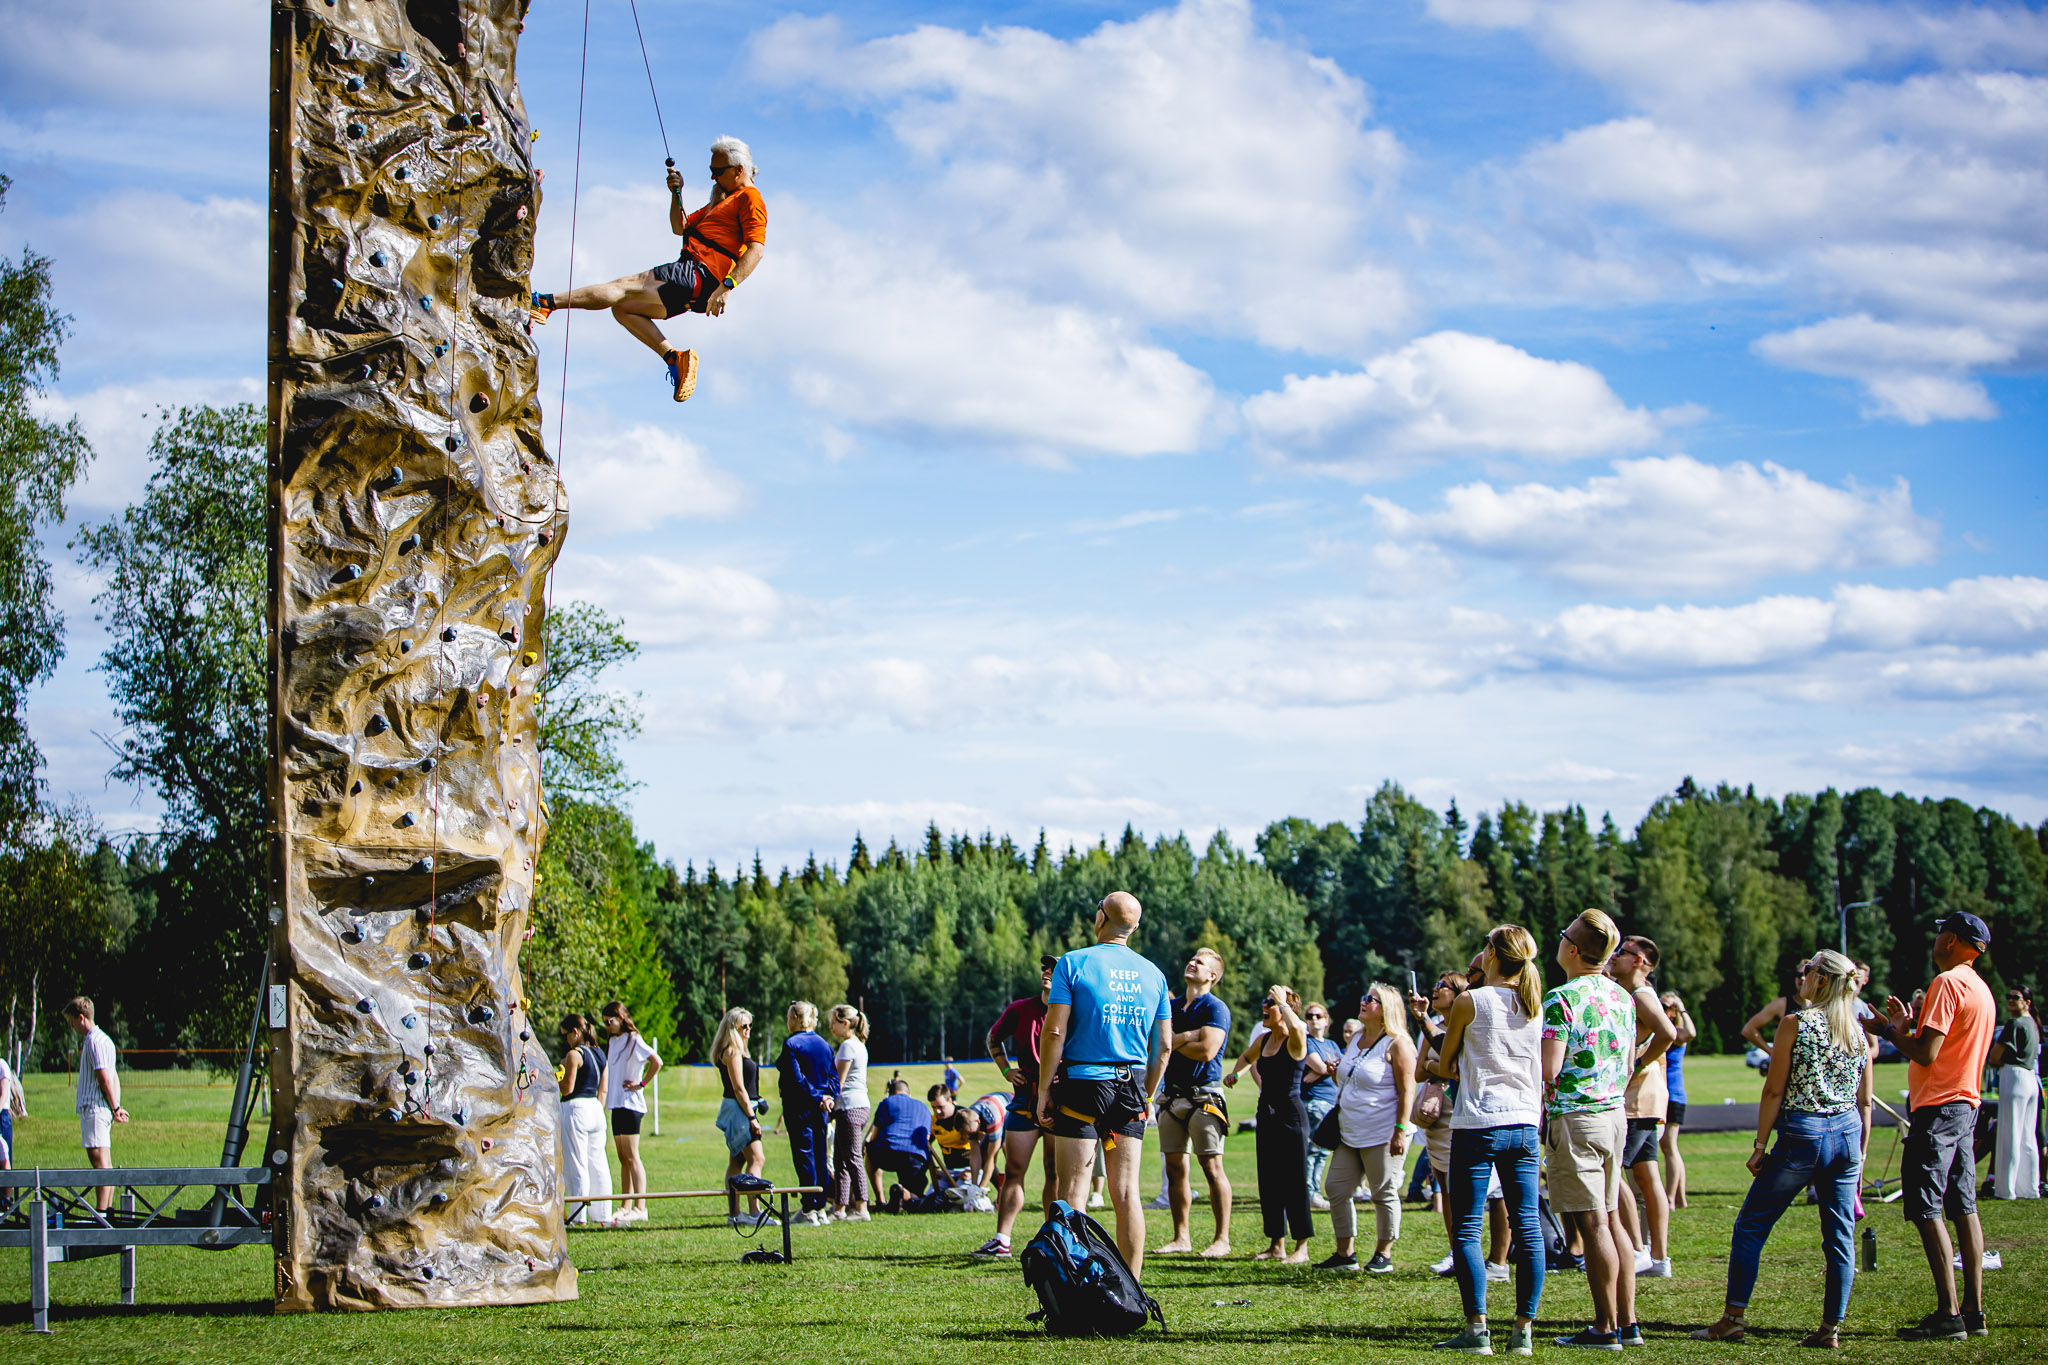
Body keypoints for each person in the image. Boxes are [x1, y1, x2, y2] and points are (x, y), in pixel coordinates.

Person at [1692, 951, 1874, 1348]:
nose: (1802, 976)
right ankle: (1831, 1328)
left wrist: (1759, 1146)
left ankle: (1733, 1318)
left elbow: (1774, 1089)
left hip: (1802, 1134)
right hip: (1846, 1135)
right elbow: (1865, 1101)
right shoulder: (1858, 1033)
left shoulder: (1796, 1024)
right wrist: (1860, 1152)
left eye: (1807, 971)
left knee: (1751, 1226)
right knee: (1839, 1237)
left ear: (1821, 981)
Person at [529, 136, 766, 403]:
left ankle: (545, 303)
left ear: (739, 171)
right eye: (710, 171)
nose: (712, 178)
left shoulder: (750, 198)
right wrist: (676, 193)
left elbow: (756, 248)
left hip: (699, 273)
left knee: (622, 287)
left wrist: (727, 286)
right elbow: (680, 226)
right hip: (698, 284)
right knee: (624, 308)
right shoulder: (721, 204)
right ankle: (674, 358)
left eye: (717, 172)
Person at [1863, 912, 1998, 1339]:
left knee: (1925, 1207)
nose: (1935, 939)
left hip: (1938, 1108)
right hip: (1965, 1105)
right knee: (1964, 1207)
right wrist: (1905, 1027)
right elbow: (1939, 1044)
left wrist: (1887, 1031)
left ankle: (1949, 1313)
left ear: (1952, 939)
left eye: (1941, 933)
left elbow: (1926, 1053)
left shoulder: (1947, 983)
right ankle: (1973, 1312)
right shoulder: (1981, 987)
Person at [1036, 890, 1172, 1278]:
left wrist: (1044, 1089)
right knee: (1126, 1193)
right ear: (1135, 927)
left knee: (1072, 1194)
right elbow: (1163, 1048)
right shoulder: (1154, 974)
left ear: (1100, 919)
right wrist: (1146, 1095)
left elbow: (1054, 1030)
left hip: (1082, 1083)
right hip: (1130, 1086)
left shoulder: (1073, 963)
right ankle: (1132, 1290)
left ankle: (1074, 1285)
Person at [1428, 926, 1548, 1357]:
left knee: (1466, 1229)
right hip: (1524, 1123)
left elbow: (1446, 1065)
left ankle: (1477, 1328)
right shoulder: (1535, 1003)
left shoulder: (1471, 1000)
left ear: (1494, 954)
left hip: (1479, 1121)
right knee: (1528, 1229)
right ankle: (1524, 1331)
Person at [1542, 909, 1641, 1349]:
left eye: (1564, 936)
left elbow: (1549, 1068)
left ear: (1574, 949)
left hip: (1577, 1117)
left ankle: (1605, 1327)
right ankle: (1629, 1321)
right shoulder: (1623, 997)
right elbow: (1631, 1058)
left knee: (1593, 1224)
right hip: (1614, 1114)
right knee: (1612, 1217)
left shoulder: (1561, 998)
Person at [1414, 968, 1512, 1279]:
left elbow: (1454, 1063)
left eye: (1442, 986)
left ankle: (1498, 1261)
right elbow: (1423, 1071)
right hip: (1441, 1117)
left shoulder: (1469, 1020)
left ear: (1459, 995)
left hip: (1474, 1111)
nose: (1435, 989)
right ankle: (1458, 1252)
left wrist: (1439, 1067)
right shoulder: (1431, 1027)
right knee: (1445, 1187)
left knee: (1495, 1193)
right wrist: (1439, 1067)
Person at [1322, 983, 1415, 1273]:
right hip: (1349, 1131)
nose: (1363, 1002)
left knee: (1383, 1192)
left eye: (1370, 999)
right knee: (1336, 1188)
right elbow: (1352, 1077)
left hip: (1382, 1133)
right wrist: (1336, 1071)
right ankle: (1344, 1254)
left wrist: (1400, 1129)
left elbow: (1407, 1089)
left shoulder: (1397, 1043)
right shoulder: (1357, 1038)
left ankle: (1383, 1254)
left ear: (1385, 1008)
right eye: (1364, 997)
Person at [977, 954, 1059, 1257]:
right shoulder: (1020, 1009)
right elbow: (993, 1038)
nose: (1046, 972)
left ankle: (1056, 1241)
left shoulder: (1072, 1011)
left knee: (1055, 1173)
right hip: (1025, 1099)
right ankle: (1002, 1239)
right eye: (1044, 968)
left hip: (1059, 1100)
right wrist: (1006, 1070)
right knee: (1013, 1170)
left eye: (1054, 968)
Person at [1155, 947, 1234, 1258]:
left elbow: (1207, 1051)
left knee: (1212, 1167)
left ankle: (1221, 1239)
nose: (1192, 963)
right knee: (1174, 1168)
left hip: (1205, 1096)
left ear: (1212, 976)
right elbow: (1156, 1043)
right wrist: (1189, 1036)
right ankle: (1181, 1237)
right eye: (1191, 959)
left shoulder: (1217, 1008)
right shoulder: (1171, 1005)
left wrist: (1175, 1040)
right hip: (1171, 1096)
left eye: (1199, 962)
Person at [1609, 936, 1677, 1280]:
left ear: (1639, 961)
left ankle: (1637, 1249)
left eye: (1622, 953)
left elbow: (1668, 1032)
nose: (1615, 956)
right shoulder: (1638, 994)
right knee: (1647, 1175)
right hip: (1649, 1097)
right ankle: (1659, 1257)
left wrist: (1637, 1061)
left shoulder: (1640, 995)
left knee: (1612, 1171)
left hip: (1636, 1099)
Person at [1250, 986, 1315, 1263]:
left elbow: (1299, 1028)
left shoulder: (1295, 1040)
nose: (1265, 1006)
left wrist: (1282, 1001)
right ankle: (1276, 1243)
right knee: (1269, 1180)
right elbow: (1246, 1058)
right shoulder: (1264, 1040)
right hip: (1266, 1113)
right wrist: (1235, 1072)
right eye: (1266, 1001)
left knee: (1294, 1181)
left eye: (1271, 1003)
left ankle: (1302, 1246)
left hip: (1291, 1116)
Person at [775, 1000, 840, 1226]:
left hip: (799, 1108)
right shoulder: (824, 1044)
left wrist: (818, 1097)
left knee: (805, 1156)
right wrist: (828, 1097)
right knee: (820, 1155)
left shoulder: (791, 1044)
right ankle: (820, 1206)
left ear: (794, 1018)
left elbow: (796, 1080)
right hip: (821, 1110)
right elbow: (834, 1077)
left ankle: (809, 1208)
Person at [599, 1000, 661, 1223]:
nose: (608, 1025)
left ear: (621, 1018)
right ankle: (626, 1205)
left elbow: (656, 1061)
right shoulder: (614, 1041)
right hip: (616, 1104)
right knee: (622, 1157)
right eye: (605, 1022)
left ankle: (640, 1206)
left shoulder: (634, 1039)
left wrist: (641, 1084)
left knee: (633, 1156)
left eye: (610, 1021)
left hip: (631, 1105)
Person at [63, 998, 128, 1211]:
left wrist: (115, 1107)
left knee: (100, 1165)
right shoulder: (105, 1040)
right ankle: (106, 1213)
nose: (72, 1027)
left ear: (81, 1018)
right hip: (102, 1110)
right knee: (105, 1165)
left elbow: (104, 1077)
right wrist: (115, 1106)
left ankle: (101, 1216)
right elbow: (113, 1077)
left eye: (72, 1021)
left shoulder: (94, 1041)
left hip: (95, 1109)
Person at [710, 1008, 768, 1225]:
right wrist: (752, 1118)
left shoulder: (737, 1050)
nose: (748, 1030)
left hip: (741, 1109)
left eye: (750, 1025)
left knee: (737, 1162)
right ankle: (754, 1212)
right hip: (741, 1111)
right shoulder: (732, 1052)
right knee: (757, 1158)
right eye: (744, 1026)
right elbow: (739, 1088)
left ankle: (735, 1214)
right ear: (732, 1027)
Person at [556, 1013, 613, 1225]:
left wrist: (554, 1078)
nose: (566, 1040)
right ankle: (603, 1214)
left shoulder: (574, 1055)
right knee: (598, 1162)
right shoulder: (600, 1054)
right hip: (595, 1108)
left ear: (575, 1032)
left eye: (566, 1035)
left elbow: (567, 1088)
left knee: (576, 1162)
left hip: (575, 1107)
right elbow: (603, 1089)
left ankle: (578, 1216)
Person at [1988, 986, 2040, 1201]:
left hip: (2014, 1075)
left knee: (2009, 1134)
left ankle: (2006, 1189)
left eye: (2015, 997)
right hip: (2030, 1078)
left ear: (2026, 1002)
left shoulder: (2015, 1024)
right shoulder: (2034, 1024)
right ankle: (2029, 1187)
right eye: (2008, 997)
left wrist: (1995, 1060)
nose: (2010, 1000)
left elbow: (1995, 1056)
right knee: (2027, 1136)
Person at [827, 1004, 872, 1222]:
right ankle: (839, 1208)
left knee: (852, 1158)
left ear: (845, 1024)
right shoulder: (859, 1045)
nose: (830, 1027)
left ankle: (862, 1208)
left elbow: (839, 1082)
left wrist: (829, 1106)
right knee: (841, 1160)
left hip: (850, 1107)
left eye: (833, 1023)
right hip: (859, 1105)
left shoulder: (847, 1046)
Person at [867, 1078, 935, 1204]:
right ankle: (903, 1194)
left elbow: (874, 1137)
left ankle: (880, 1200)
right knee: (914, 1196)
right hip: (916, 1156)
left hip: (888, 1152)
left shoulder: (886, 1102)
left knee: (870, 1151)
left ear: (890, 1093)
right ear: (909, 1094)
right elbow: (926, 1139)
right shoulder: (924, 1107)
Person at [1302, 1001, 1343, 1210]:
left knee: (1323, 1150)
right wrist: (1324, 1069)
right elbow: (1321, 1065)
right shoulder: (1306, 1042)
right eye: (1310, 1016)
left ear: (1326, 1020)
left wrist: (1323, 1070)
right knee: (1314, 1149)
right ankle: (1310, 1193)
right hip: (1314, 1101)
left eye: (1318, 1016)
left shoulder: (1332, 1045)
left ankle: (1313, 1191)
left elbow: (1342, 1068)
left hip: (1331, 1101)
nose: (1314, 1020)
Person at [1660, 990, 1696, 1208]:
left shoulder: (1677, 1033)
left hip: (1673, 1094)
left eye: (1666, 1007)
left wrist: (1681, 1006)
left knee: (1668, 1146)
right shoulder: (1658, 1030)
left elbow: (1691, 1033)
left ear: (1673, 1012)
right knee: (1670, 1147)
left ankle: (1671, 1198)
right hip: (1663, 1094)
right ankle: (1681, 1198)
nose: (1662, 1010)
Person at [1742, 962, 1814, 1061]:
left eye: (1806, 974)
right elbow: (1748, 1030)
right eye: (1798, 975)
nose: (1802, 978)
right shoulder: (1782, 1004)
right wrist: (1772, 1052)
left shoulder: (1823, 1005)